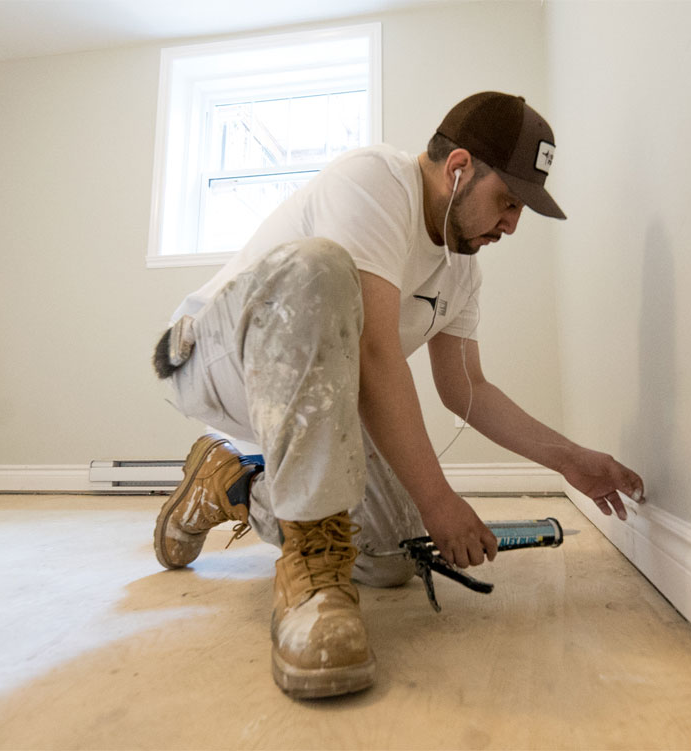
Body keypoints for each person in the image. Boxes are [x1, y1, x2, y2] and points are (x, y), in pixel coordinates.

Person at [150, 91, 646, 700]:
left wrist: (572, 461)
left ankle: (229, 483)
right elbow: (375, 351)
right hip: (217, 357)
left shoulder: (462, 270)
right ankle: (310, 580)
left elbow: (468, 390)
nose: (512, 224)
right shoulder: (375, 181)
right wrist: (438, 499)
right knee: (320, 268)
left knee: (390, 556)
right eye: (507, 202)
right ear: (459, 167)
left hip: (313, 395)